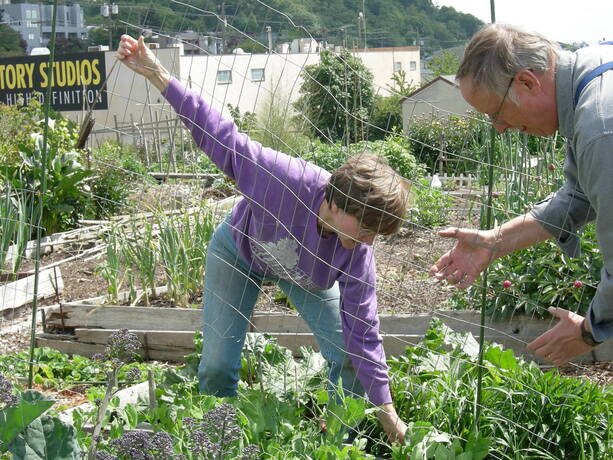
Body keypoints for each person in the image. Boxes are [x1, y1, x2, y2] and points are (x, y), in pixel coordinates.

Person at [117, 34, 409, 442]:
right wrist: (156, 72)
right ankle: (216, 442)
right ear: (340, 204)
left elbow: (365, 333)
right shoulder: (284, 179)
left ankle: (336, 446)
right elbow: (219, 134)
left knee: (346, 355)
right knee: (218, 366)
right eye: (367, 229)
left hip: (302, 274)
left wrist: (387, 410)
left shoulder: (356, 252)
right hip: (241, 252)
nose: (370, 242)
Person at [430, 24, 612, 365]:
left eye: (495, 113)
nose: (498, 127)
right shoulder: (591, 70)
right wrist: (495, 241)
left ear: (528, 82)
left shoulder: (600, 126)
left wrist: (588, 330)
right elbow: (580, 194)